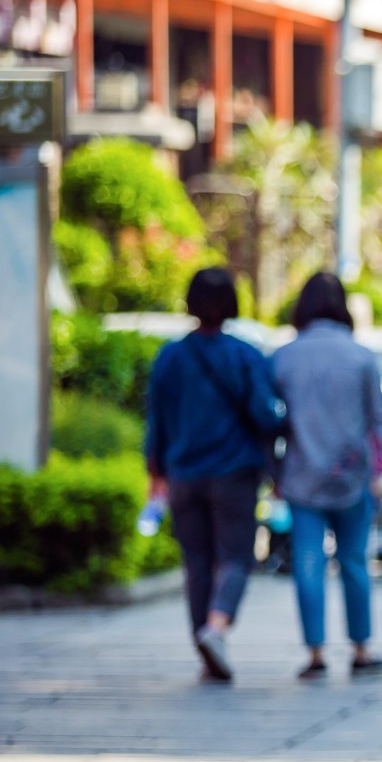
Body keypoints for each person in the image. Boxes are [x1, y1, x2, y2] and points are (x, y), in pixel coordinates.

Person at [269, 272, 382, 680]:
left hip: (300, 477)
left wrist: (272, 471)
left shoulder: (282, 358)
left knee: (308, 562)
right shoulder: (362, 357)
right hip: (352, 477)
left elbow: (268, 423)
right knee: (353, 561)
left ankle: (315, 653)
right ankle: (361, 648)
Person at [143, 267, 282, 684]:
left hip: (183, 474)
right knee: (235, 556)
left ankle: (205, 651)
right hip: (235, 473)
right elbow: (264, 415)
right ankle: (216, 628)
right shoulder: (245, 356)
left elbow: (156, 422)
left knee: (197, 562)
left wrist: (155, 471)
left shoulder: (169, 357)